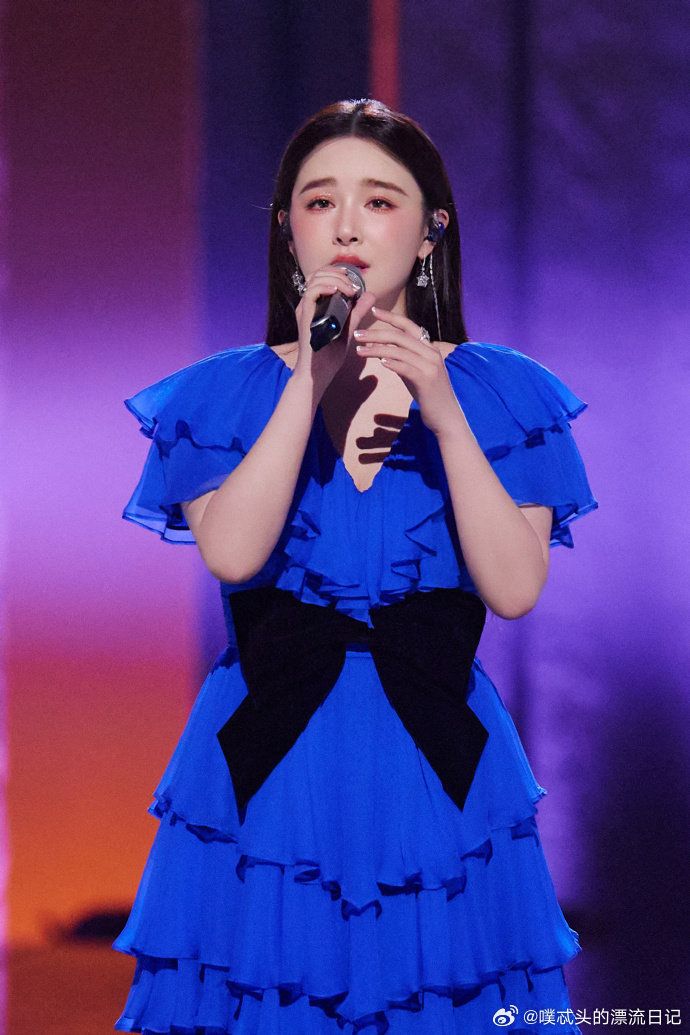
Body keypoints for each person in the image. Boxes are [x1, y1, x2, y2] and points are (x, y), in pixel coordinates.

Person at [114, 99, 596, 1034]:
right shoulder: (223, 393)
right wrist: (307, 378)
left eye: (378, 201)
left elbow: (514, 587)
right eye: (317, 201)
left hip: (436, 761)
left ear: (430, 230)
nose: (345, 226)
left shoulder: (506, 391)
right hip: (269, 761)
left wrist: (446, 414)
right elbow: (233, 551)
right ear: (287, 231)